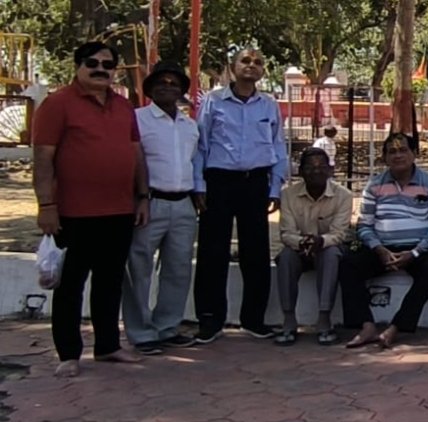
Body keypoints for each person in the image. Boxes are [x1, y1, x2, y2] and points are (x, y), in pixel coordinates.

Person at [32, 42, 150, 376]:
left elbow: (136, 153)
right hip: (73, 213)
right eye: (92, 63)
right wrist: (46, 205)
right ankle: (69, 353)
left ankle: (108, 346)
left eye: (107, 64)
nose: (100, 69)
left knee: (110, 282)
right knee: (70, 285)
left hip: (119, 210)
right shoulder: (57, 104)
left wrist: (143, 196)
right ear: (78, 65)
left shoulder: (124, 106)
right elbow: (42, 158)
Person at [191, 48, 289, 344]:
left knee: (256, 252)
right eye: (245, 61)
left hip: (255, 183)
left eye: (258, 62)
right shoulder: (213, 101)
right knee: (212, 252)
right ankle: (210, 319)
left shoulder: (269, 105)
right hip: (218, 182)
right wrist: (198, 185)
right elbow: (201, 145)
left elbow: (278, 146)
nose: (251, 66)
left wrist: (275, 188)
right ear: (233, 67)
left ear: (263, 71)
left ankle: (254, 319)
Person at [121, 61, 200, 356]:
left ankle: (167, 327)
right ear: (150, 88)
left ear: (181, 90)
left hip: (183, 205)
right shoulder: (137, 119)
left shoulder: (190, 126)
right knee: (139, 268)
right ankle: (141, 332)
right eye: (161, 82)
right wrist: (138, 198)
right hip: (149, 203)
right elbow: (130, 162)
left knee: (178, 270)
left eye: (173, 83)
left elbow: (194, 162)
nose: (168, 87)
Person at [340, 132, 428, 349]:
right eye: (392, 152)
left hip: (418, 249)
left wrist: (414, 253)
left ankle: (396, 327)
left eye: (403, 150)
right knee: (348, 264)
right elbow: (364, 225)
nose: (398, 156)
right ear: (385, 157)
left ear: (414, 153)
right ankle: (366, 325)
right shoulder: (374, 185)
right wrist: (379, 249)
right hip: (381, 249)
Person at [274, 147, 353, 347]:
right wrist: (302, 242)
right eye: (309, 167)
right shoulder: (288, 195)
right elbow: (286, 233)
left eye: (321, 167)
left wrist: (320, 241)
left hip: (326, 248)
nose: (316, 171)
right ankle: (289, 319)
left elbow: (339, 233)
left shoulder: (343, 195)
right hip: (299, 249)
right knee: (285, 257)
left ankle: (324, 319)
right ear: (300, 171)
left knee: (332, 254)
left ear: (330, 170)